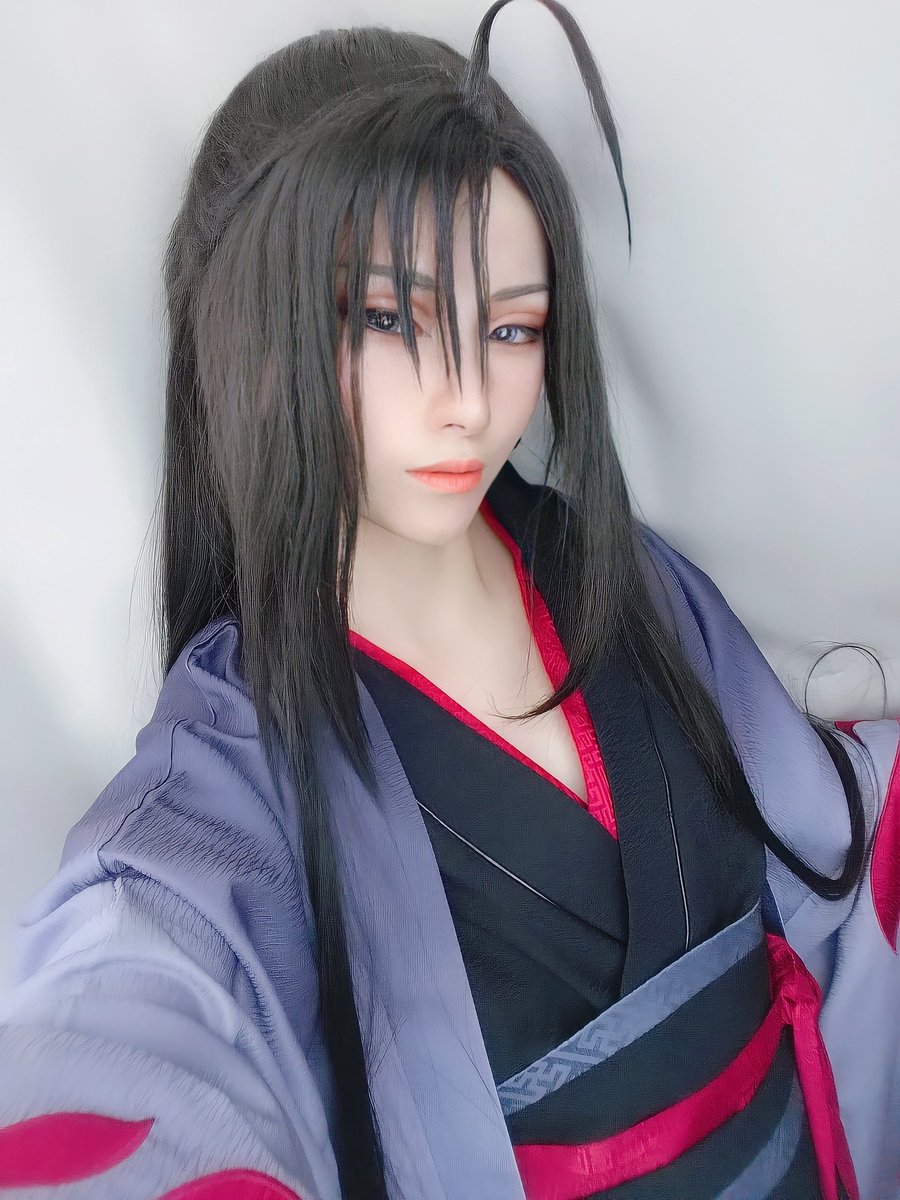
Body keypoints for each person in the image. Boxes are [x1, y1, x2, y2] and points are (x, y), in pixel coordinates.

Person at [1, 2, 897, 1198]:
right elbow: (130, 1013)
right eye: (388, 317)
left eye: (513, 327)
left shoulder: (613, 573)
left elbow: (833, 834)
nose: (468, 399)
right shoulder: (229, 774)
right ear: (244, 332)